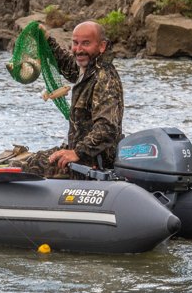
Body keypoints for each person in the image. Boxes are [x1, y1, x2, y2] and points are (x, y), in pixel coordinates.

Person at [12, 21, 124, 178]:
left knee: (19, 169)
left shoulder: (104, 79)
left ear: (102, 46)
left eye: (86, 43)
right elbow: (67, 64)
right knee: (28, 160)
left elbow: (107, 129)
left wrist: (77, 152)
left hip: (91, 163)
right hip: (78, 153)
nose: (79, 49)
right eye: (75, 43)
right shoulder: (88, 69)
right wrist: (46, 38)